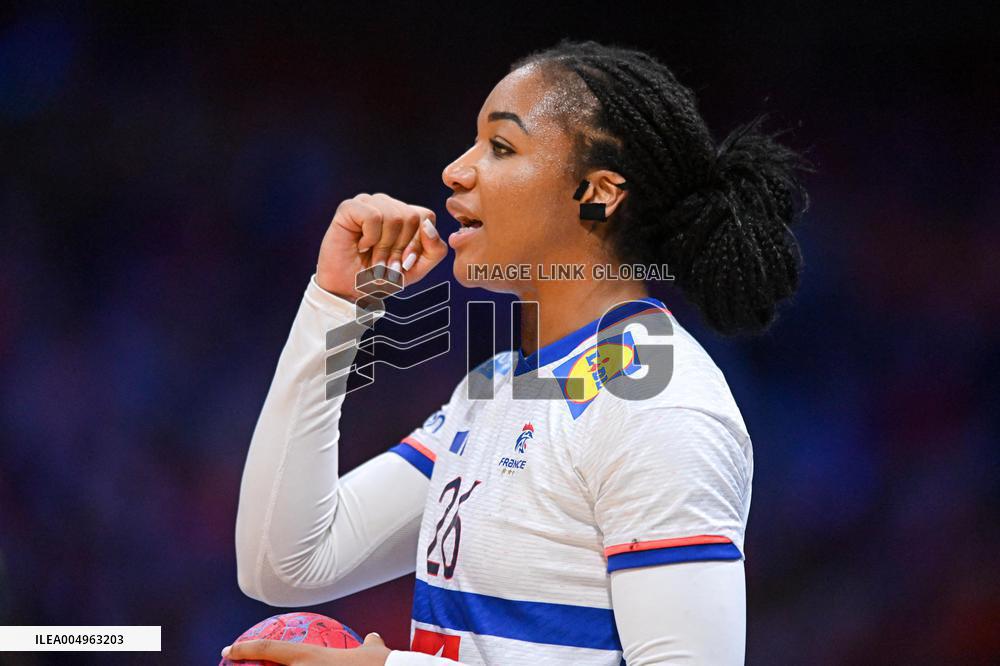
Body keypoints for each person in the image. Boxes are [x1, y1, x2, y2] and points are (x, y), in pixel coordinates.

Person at [226, 39, 809, 665]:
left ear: (598, 193)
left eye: (500, 147)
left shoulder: (658, 402)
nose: (456, 170)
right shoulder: (498, 388)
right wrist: (338, 304)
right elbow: (284, 564)